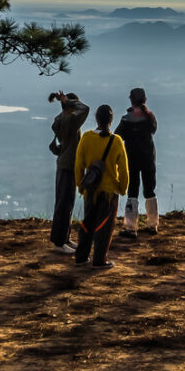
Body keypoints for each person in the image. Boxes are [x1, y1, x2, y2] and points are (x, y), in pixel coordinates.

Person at [72, 104, 130, 268]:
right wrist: (122, 188)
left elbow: (78, 166)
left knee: (87, 224)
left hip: (90, 191)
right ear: (111, 121)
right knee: (104, 227)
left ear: (96, 119)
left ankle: (81, 257)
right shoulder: (116, 141)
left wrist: (81, 186)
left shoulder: (86, 139)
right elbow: (124, 169)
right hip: (109, 192)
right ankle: (99, 260)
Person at [47, 92, 89, 252]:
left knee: (65, 203)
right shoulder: (71, 120)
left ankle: (64, 238)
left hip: (64, 164)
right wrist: (68, 101)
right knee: (64, 204)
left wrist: (64, 104)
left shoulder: (60, 119)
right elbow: (85, 108)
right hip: (68, 166)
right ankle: (59, 242)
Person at [116, 88, 160, 238]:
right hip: (148, 159)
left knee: (132, 192)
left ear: (131, 100)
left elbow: (117, 137)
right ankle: (152, 225)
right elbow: (153, 130)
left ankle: (130, 227)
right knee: (150, 191)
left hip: (132, 160)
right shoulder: (150, 118)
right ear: (145, 100)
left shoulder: (126, 120)